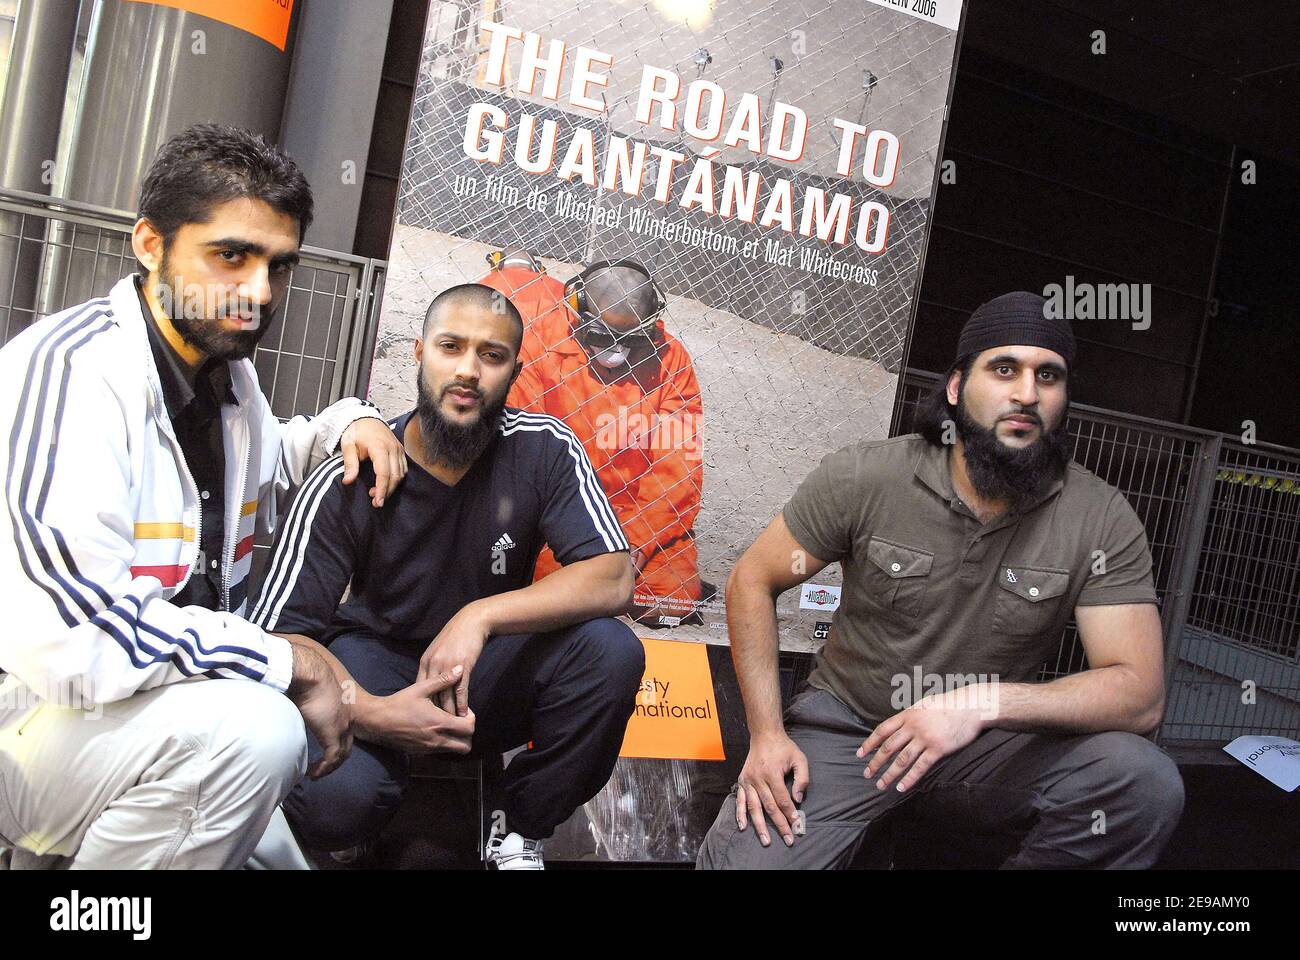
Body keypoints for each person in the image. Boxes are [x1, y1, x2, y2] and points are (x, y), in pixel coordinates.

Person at [0, 124, 407, 870]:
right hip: (28, 721)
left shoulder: (226, 381)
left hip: (135, 715)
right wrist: (290, 660)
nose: (258, 292)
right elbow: (71, 639)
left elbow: (241, 476)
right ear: (150, 244)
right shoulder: (73, 375)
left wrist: (349, 419)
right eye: (230, 256)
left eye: (279, 266)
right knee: (257, 734)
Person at [697, 291, 1185, 869]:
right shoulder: (869, 474)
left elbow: (1138, 693)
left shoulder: (1100, 515)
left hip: (985, 751)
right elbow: (753, 578)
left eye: (1047, 376)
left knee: (1141, 782)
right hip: (852, 733)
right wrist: (767, 735)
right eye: (1004, 369)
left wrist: (977, 705)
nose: (1026, 394)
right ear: (957, 387)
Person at [251, 283, 644, 870]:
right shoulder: (352, 472)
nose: (468, 371)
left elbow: (613, 577)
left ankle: (517, 829)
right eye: (450, 347)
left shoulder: (543, 448)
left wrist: (480, 616)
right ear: (419, 352)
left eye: (492, 355)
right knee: (337, 805)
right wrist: (369, 711)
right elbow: (279, 637)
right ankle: (348, 819)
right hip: (377, 664)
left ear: (514, 369)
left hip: (486, 671)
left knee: (610, 654)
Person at [480, 254, 706, 626]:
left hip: (632, 509)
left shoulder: (671, 359)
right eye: (603, 336)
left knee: (670, 602)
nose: (617, 353)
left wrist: (636, 543)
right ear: (576, 311)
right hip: (556, 510)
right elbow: (520, 456)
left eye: (630, 340)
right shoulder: (541, 344)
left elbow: (678, 471)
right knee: (552, 588)